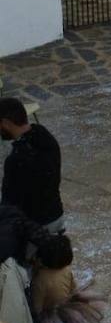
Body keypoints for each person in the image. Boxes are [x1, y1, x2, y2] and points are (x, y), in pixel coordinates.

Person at [29, 233, 104, 323]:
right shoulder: (66, 270)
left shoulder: (40, 280)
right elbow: (73, 289)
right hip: (68, 316)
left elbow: (36, 308)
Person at [0, 97, 64, 233]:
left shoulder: (16, 160)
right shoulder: (45, 137)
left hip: (36, 226)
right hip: (56, 215)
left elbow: (9, 205)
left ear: (6, 123)